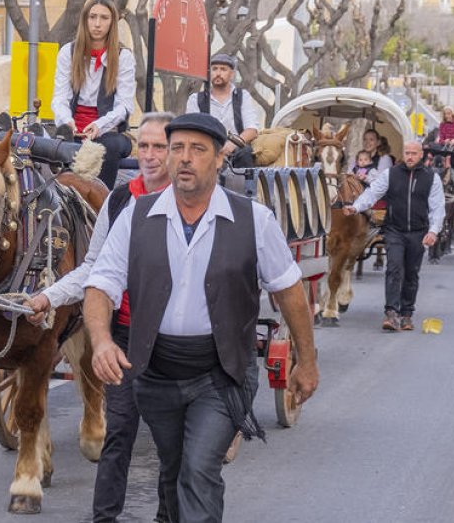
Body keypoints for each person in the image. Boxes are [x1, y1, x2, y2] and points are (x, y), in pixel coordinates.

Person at [83, 113, 318, 523]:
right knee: (173, 469)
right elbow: (100, 284)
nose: (184, 158)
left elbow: (290, 292)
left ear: (217, 160)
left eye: (197, 149)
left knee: (198, 468)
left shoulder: (253, 220)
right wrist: (102, 340)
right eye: (177, 149)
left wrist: (308, 361)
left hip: (222, 372)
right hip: (155, 373)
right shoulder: (136, 217)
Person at [25, 112, 173, 523]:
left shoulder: (192, 198)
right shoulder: (121, 200)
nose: (148, 154)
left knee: (171, 442)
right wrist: (48, 297)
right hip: (126, 335)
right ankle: (104, 518)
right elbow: (95, 267)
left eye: (159, 146)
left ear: (177, 151)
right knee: (119, 433)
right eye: (143, 146)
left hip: (178, 341)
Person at [344, 141, 445, 331]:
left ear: (421, 155)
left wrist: (433, 231)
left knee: (411, 273)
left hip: (418, 231)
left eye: (414, 153)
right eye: (407, 153)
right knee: (394, 268)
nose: (410, 156)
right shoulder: (391, 174)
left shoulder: (432, 178)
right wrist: (356, 207)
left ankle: (406, 314)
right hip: (394, 230)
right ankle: (391, 313)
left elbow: (438, 207)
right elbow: (372, 193)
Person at [51, 0, 136, 190]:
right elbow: (59, 98)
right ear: (85, 20)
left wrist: (99, 125)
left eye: (104, 18)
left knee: (109, 146)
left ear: (112, 22)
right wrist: (66, 121)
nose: (97, 24)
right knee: (54, 146)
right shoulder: (68, 52)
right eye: (93, 17)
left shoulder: (124, 56)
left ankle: (101, 199)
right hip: (73, 127)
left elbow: (124, 105)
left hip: (108, 130)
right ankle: (63, 196)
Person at [185, 53, 260, 167]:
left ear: (232, 74)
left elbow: (252, 130)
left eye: (223, 69)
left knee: (246, 153)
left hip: (236, 151)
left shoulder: (242, 96)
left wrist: (232, 145)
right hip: (206, 149)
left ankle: (245, 185)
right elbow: (192, 130)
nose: (218, 73)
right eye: (214, 69)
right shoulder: (195, 99)